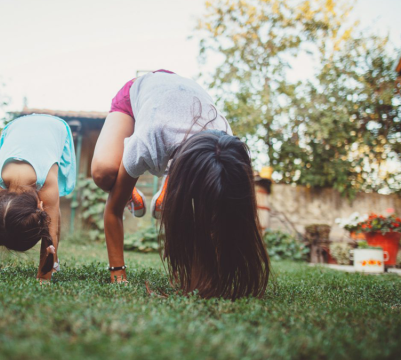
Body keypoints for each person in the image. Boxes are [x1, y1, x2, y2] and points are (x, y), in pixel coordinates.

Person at [91, 70, 270, 299]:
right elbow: (112, 211)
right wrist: (118, 273)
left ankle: (167, 192)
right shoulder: (148, 140)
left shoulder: (226, 145)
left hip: (183, 95)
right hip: (140, 92)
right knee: (103, 173)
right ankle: (130, 192)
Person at [0, 114, 76, 282]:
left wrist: (44, 277)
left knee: (52, 209)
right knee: (0, 219)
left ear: (39, 206)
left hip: (54, 127)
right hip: (14, 128)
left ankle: (54, 262)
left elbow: (50, 232)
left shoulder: (47, 182)